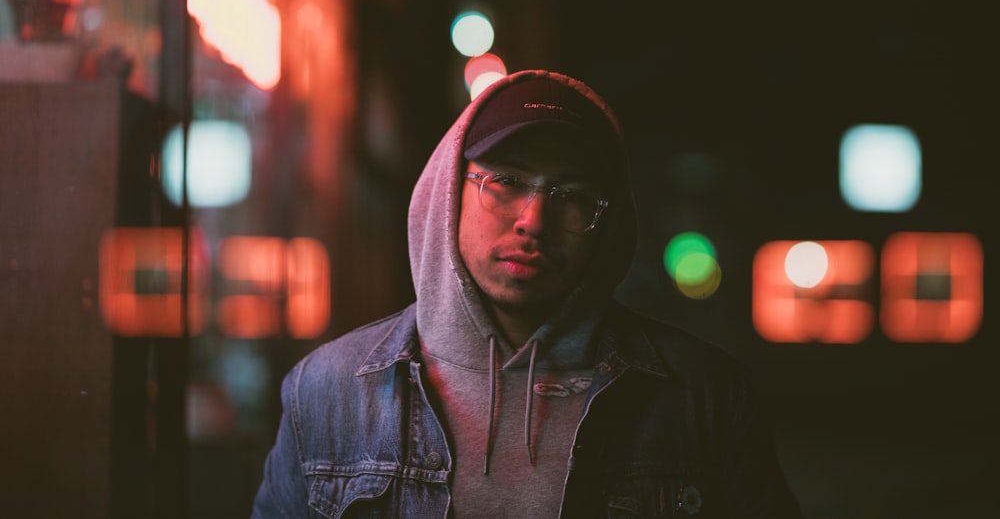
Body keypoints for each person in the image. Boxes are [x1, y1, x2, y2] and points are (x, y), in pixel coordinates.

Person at [250, 69, 802, 518]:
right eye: (506, 182)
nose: (534, 221)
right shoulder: (327, 393)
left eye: (574, 195)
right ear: (450, 191)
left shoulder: (702, 395)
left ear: (607, 225)